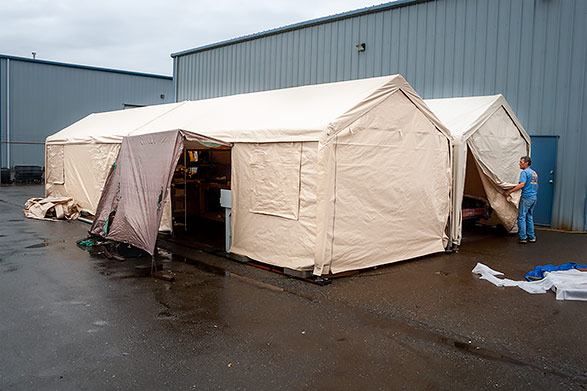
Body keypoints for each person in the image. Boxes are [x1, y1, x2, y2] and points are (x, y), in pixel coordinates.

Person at [504, 156, 538, 243]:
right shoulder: (534, 173)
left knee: (522, 217)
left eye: (521, 162)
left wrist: (509, 191)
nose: (519, 164)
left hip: (526, 197)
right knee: (529, 217)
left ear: (526, 163)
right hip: (533, 197)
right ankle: (532, 236)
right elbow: (536, 186)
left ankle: (523, 237)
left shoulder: (524, 172)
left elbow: (522, 184)